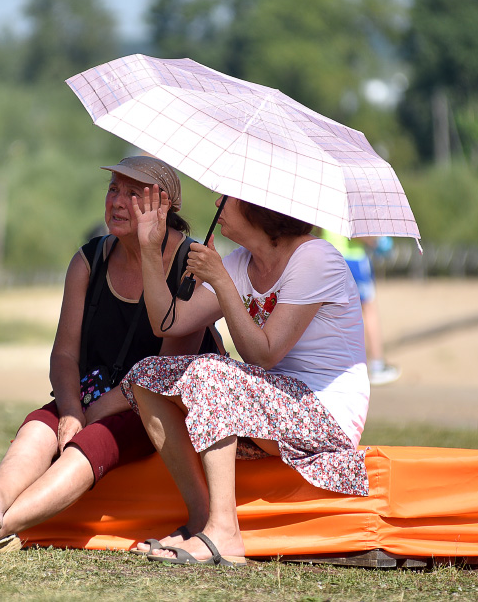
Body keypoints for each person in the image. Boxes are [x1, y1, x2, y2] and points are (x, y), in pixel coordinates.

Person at [0, 156, 211, 551]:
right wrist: (70, 411)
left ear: (162, 206)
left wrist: (93, 413)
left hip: (155, 406)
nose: (116, 202)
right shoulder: (90, 260)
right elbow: (64, 356)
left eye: (132, 194)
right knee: (41, 422)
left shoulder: (191, 265)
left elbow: (167, 371)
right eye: (113, 190)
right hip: (92, 390)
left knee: (97, 438)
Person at [120, 186, 370, 566]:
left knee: (209, 373)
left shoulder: (315, 258)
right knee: (147, 377)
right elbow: (169, 322)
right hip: (272, 405)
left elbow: (265, 353)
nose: (217, 204)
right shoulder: (241, 262)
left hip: (324, 413)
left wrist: (220, 282)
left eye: (228, 198)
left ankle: (226, 532)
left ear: (260, 205)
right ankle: (200, 520)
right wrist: (151, 252)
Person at [320, 230, 400, 386]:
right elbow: (357, 232)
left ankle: (334, 365)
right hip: (353, 259)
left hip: (328, 256)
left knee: (330, 312)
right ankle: (377, 364)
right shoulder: (351, 204)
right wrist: (377, 241)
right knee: (368, 310)